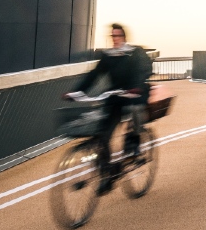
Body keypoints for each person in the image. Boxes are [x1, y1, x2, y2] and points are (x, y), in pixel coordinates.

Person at [63, 23, 152, 194]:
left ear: (124, 37)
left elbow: (143, 70)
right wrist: (77, 92)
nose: (115, 39)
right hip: (115, 97)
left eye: (118, 36)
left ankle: (134, 145)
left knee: (135, 111)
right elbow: (94, 75)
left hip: (134, 94)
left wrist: (136, 86)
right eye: (113, 36)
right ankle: (107, 175)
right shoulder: (108, 56)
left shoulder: (135, 52)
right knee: (102, 134)